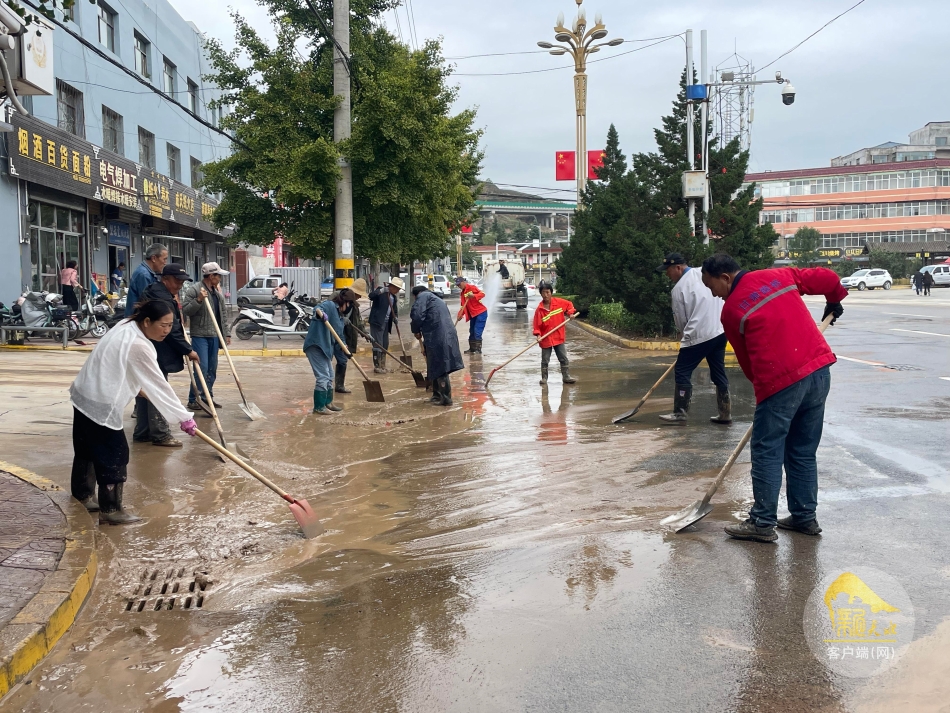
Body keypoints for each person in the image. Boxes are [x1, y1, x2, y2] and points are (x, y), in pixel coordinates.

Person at [701, 253, 847, 543]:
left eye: (711, 286)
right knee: (802, 450)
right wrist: (834, 300)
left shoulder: (732, 311)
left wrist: (766, 396)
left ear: (725, 278)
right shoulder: (779, 276)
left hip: (782, 382)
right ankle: (804, 517)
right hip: (819, 372)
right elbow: (829, 278)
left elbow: (748, 363)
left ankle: (762, 522)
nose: (713, 294)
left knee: (767, 450)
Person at [69, 300, 197, 524]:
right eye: (163, 325)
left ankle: (83, 495)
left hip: (83, 394)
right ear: (147, 321)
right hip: (101, 402)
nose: (167, 331)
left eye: (170, 325)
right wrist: (184, 417)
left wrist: (136, 388)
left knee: (87, 448)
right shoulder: (139, 345)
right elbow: (159, 385)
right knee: (115, 454)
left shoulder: (125, 325)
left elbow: (116, 362)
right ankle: (111, 510)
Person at [655, 252, 731, 425]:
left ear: (678, 267)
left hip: (698, 335)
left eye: (668, 270)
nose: (667, 274)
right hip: (719, 331)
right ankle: (725, 413)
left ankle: (680, 413)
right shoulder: (704, 273)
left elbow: (681, 320)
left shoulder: (679, 289)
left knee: (682, 371)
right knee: (718, 372)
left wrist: (685, 338)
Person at [137, 264, 200, 446]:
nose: (179, 285)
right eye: (177, 281)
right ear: (165, 279)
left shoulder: (156, 292)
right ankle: (160, 434)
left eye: (182, 282)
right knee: (157, 389)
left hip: (149, 349)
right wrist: (188, 350)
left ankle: (143, 432)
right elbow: (171, 330)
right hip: (156, 350)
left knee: (146, 389)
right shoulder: (161, 299)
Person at [182, 262, 231, 409]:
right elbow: (186, 310)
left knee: (212, 369)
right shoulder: (195, 290)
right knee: (201, 368)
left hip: (215, 335)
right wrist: (198, 300)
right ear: (211, 276)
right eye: (218, 276)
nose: (220, 278)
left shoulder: (217, 294)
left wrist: (227, 333)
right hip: (200, 335)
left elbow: (223, 315)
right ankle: (194, 399)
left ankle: (207, 397)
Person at [411, 285, 464, 406]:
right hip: (444, 335)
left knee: (440, 366)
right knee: (435, 365)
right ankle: (436, 395)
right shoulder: (436, 299)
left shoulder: (422, 297)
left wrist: (416, 330)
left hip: (438, 336)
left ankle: (445, 399)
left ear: (415, 295)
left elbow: (417, 315)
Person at [304, 290, 354, 414]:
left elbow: (339, 335)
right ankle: (319, 407)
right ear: (345, 302)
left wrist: (344, 346)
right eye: (350, 304)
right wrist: (321, 314)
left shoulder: (340, 317)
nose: (350, 308)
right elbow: (317, 308)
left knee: (330, 375)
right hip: (316, 345)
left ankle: (328, 403)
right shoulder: (330, 306)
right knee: (323, 377)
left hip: (326, 348)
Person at [533, 281, 577, 385]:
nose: (545, 295)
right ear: (540, 294)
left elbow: (569, 305)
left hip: (558, 336)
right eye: (543, 292)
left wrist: (570, 313)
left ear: (551, 292)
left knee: (563, 358)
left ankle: (566, 377)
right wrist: (538, 335)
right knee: (545, 360)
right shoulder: (539, 310)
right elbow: (536, 325)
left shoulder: (559, 303)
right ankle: (544, 378)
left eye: (547, 292)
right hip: (546, 338)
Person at [335, 278, 369, 394]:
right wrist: (340, 318)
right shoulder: (338, 297)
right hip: (333, 335)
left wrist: (365, 333)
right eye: (358, 295)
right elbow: (328, 314)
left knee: (342, 360)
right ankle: (326, 386)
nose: (359, 297)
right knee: (328, 362)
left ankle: (339, 385)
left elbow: (358, 322)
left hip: (345, 336)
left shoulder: (354, 306)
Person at [368, 277, 404, 374]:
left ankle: (383, 365)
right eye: (397, 289)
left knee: (385, 344)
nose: (397, 291)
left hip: (386, 323)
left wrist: (395, 317)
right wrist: (381, 291)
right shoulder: (381, 291)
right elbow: (370, 296)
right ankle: (377, 366)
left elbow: (394, 310)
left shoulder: (393, 297)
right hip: (377, 322)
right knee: (378, 344)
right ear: (392, 286)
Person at [124, 244, 168, 317]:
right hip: (137, 318)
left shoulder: (148, 273)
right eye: (164, 259)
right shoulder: (144, 275)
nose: (165, 263)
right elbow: (148, 302)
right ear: (154, 258)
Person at [455, 276, 488, 354]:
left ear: (463, 282)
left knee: (477, 331)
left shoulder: (471, 287)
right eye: (457, 285)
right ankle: (472, 349)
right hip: (473, 315)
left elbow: (482, 294)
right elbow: (463, 306)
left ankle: (478, 350)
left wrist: (474, 296)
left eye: (459, 284)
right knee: (472, 331)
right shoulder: (462, 293)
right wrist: (460, 315)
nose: (459, 286)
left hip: (480, 313)